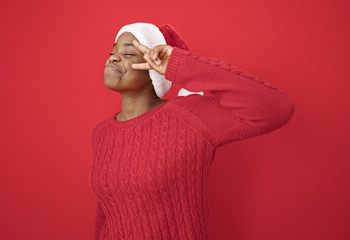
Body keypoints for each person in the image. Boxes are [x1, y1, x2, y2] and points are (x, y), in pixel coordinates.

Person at [88, 22, 294, 240]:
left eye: (128, 53)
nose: (113, 58)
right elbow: (107, 214)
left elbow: (276, 108)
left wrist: (179, 65)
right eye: (113, 52)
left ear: (155, 68)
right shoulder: (102, 133)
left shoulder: (190, 115)